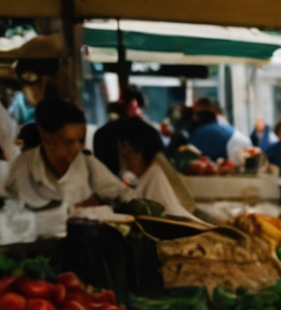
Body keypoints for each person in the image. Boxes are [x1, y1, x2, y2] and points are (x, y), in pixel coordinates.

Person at [0, 98, 130, 230]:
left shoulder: (87, 164)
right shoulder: (22, 167)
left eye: (80, 141)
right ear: (48, 139)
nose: (76, 148)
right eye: (68, 142)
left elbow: (123, 195)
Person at [109, 118, 195, 220]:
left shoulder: (153, 179)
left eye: (122, 147)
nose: (121, 154)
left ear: (135, 151)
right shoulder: (148, 176)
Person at [186, 96, 243, 161]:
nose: (193, 116)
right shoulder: (212, 124)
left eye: (195, 112)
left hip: (232, 148)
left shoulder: (203, 130)